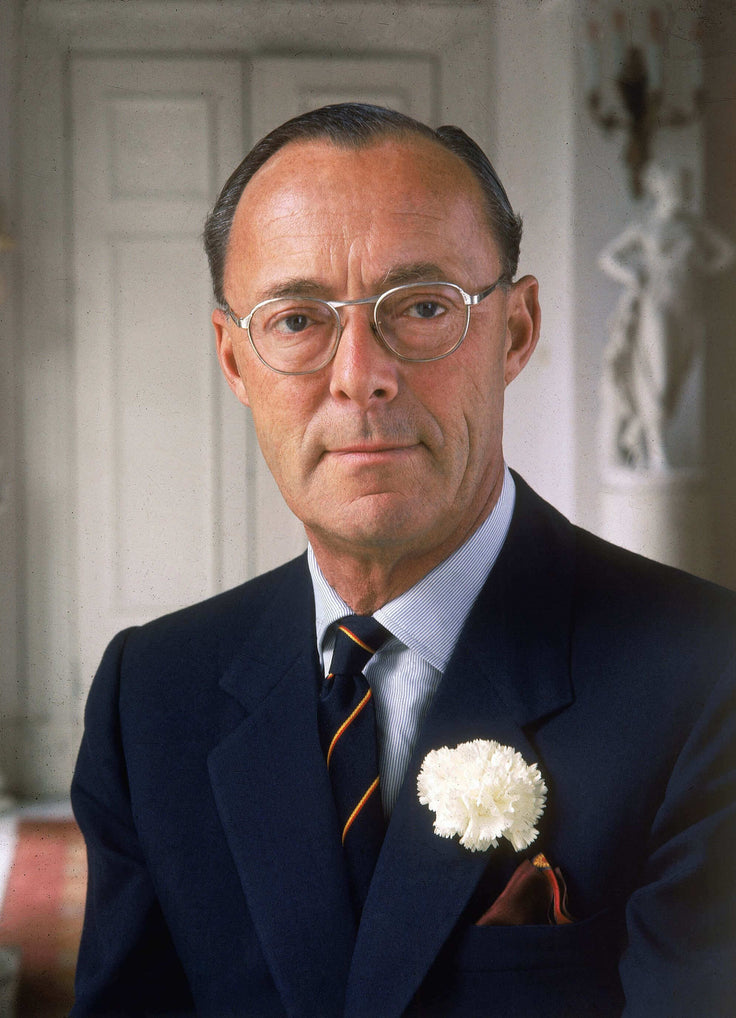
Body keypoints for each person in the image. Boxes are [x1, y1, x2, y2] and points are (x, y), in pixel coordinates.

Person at [70, 104, 736, 1017]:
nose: (360, 374)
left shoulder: (707, 675)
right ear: (233, 360)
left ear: (515, 330)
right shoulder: (149, 694)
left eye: (422, 308)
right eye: (297, 318)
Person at [598, 163, 734, 471]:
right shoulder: (645, 227)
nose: (682, 195)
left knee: (673, 381)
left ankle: (644, 438)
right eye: (677, 188)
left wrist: (700, 267)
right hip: (656, 307)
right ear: (662, 190)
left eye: (684, 189)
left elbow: (727, 253)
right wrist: (632, 275)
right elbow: (608, 258)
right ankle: (656, 450)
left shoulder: (692, 227)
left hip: (688, 308)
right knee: (657, 377)